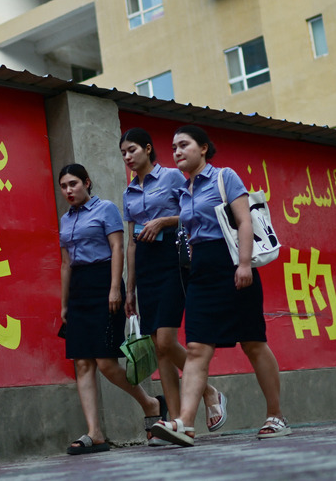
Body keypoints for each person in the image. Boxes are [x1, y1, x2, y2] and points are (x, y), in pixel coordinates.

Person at [150, 126, 290, 447]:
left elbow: (243, 221)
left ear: (203, 148)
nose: (177, 152)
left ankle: (276, 415)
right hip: (201, 271)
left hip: (233, 264)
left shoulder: (225, 177)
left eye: (184, 145)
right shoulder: (184, 192)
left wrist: (243, 264)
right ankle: (185, 422)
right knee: (198, 348)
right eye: (173, 147)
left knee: (252, 342)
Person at [119, 128, 226, 444]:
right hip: (146, 265)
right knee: (158, 347)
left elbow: (192, 211)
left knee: (166, 340)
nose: (127, 156)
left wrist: (163, 221)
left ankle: (208, 390)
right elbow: (130, 242)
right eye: (123, 152)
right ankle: (179, 424)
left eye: (132, 149)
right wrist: (129, 288)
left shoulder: (170, 177)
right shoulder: (128, 192)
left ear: (148, 149)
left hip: (172, 259)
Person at [58, 163, 166, 455]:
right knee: (82, 363)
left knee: (106, 362)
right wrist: (64, 303)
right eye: (64, 186)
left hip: (103, 281)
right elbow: (66, 263)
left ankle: (150, 404)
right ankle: (95, 433)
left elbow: (117, 248)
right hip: (78, 288)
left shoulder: (105, 209)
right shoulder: (65, 220)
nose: (69, 190)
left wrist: (115, 288)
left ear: (87, 182)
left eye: (74, 184)